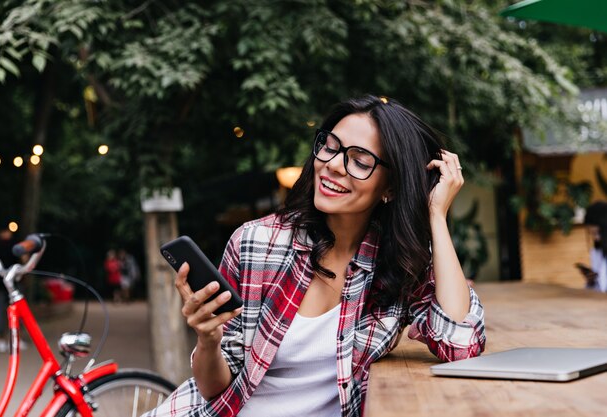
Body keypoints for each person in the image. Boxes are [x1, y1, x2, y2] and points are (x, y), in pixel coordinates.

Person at [143, 95, 486, 417]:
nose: (333, 165)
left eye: (360, 161)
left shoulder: (398, 265)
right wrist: (208, 339)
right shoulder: (257, 242)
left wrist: (436, 215)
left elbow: (461, 345)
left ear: (391, 188)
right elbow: (213, 389)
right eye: (330, 147)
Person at [578, 201, 607, 292]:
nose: (596, 238)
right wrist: (591, 281)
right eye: (592, 234)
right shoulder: (597, 252)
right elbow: (600, 288)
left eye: (598, 233)